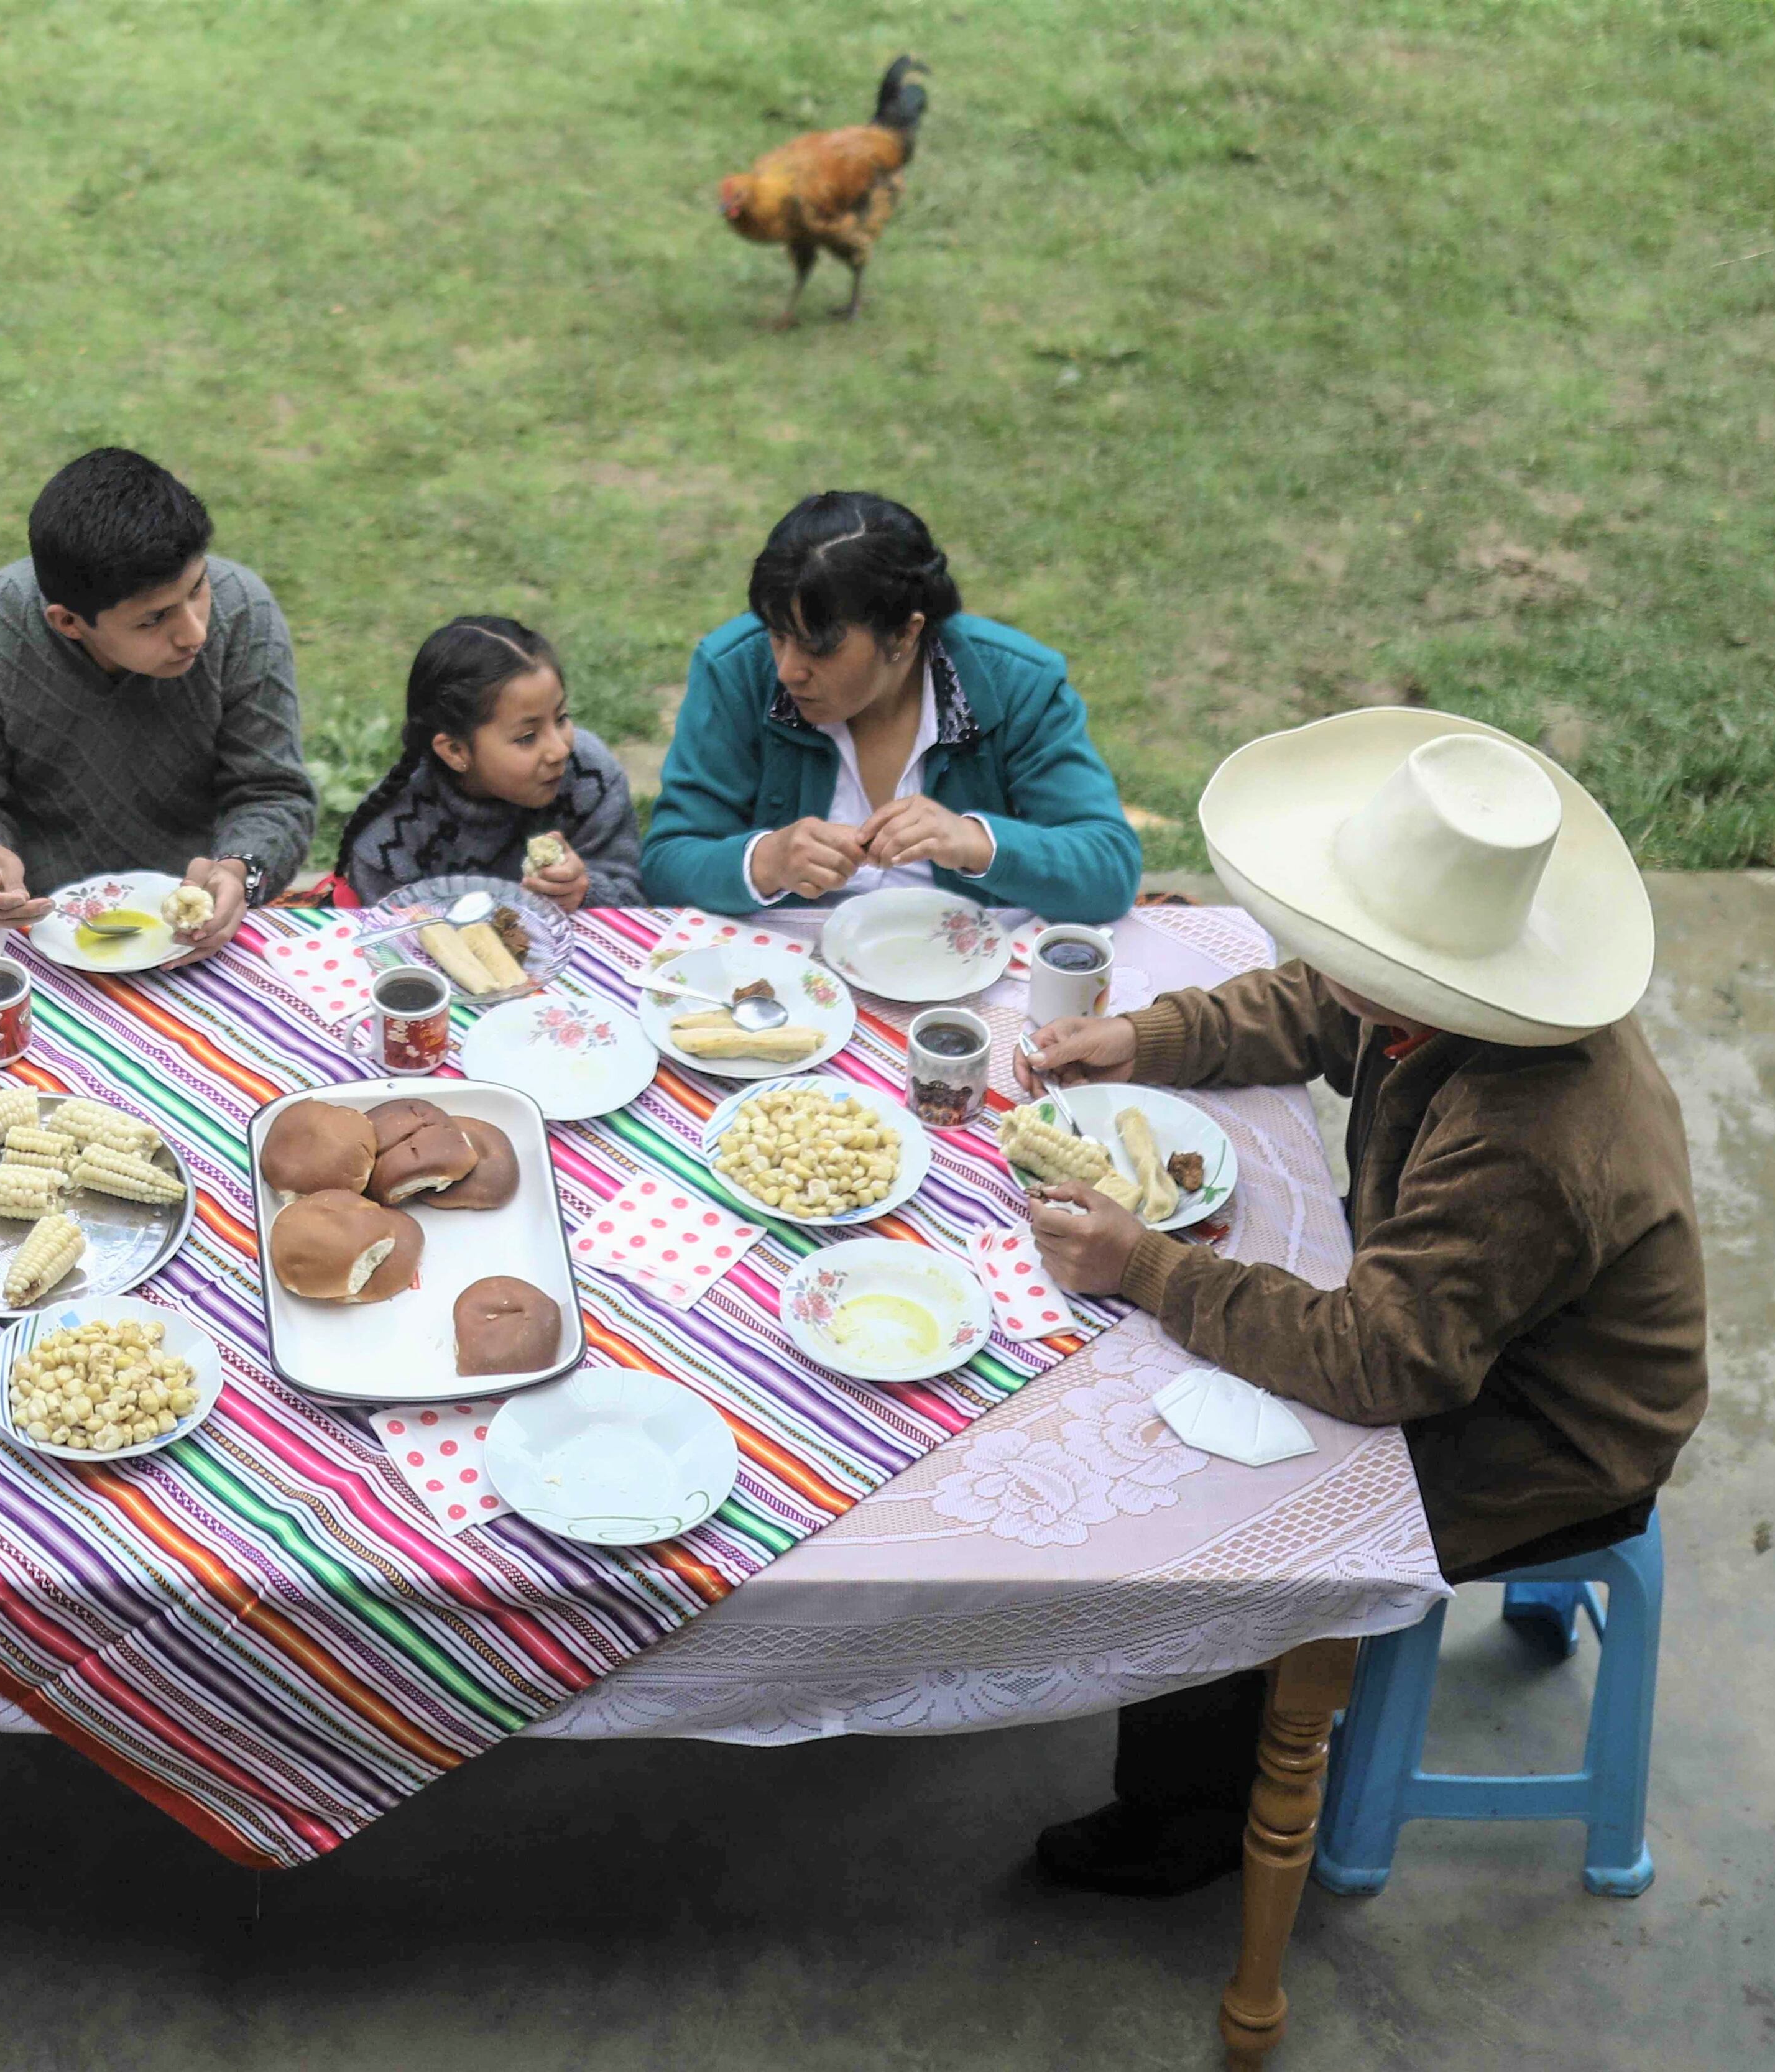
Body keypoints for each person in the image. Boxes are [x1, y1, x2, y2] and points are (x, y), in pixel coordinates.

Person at [1016, 709, 1702, 1897]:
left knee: (1221, 1500)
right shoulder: (1442, 996)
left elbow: (1382, 1360)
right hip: (1463, 1335)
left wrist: (1149, 1265)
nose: (1325, 959)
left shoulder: (1525, 1135)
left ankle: (1192, 1817)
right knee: (1198, 1386)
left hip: (1543, 1432)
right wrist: (1147, 1033)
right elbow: (1315, 1004)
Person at [639, 492, 1140, 920]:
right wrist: (764, 862)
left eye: (818, 647)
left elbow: (1110, 867)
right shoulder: (737, 670)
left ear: (905, 632)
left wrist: (975, 842)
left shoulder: (1015, 684)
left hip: (966, 976)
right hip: (789, 979)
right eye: (776, 636)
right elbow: (666, 863)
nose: (788, 669)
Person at [0, 446, 317, 962]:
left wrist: (240, 867)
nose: (194, 632)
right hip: (40, 932)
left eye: (198, 588)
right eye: (153, 620)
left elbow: (273, 793)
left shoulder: (245, 613)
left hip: (200, 934)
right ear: (68, 622)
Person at [337, 615, 644, 909]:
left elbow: (635, 903)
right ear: (456, 751)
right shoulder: (391, 838)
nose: (559, 749)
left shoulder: (591, 778)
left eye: (561, 718)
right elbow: (383, 941)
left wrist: (585, 890)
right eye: (527, 737)